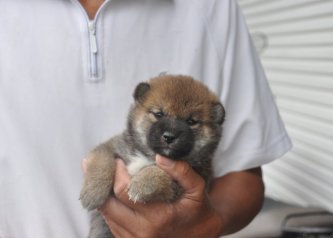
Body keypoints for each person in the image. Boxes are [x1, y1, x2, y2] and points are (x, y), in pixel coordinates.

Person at [0, 0, 292, 237]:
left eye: (192, 122)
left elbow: (245, 173)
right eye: (159, 115)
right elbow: (102, 155)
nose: (170, 131)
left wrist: (205, 226)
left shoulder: (212, 7)